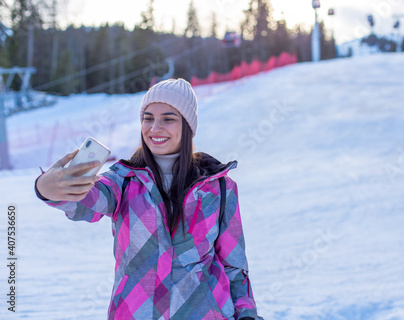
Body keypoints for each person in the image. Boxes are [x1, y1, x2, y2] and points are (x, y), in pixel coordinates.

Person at [34, 78, 263, 320]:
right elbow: (86, 202)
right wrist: (48, 189)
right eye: (148, 118)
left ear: (187, 126)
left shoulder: (220, 188)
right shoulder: (122, 182)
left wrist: (247, 314)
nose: (154, 128)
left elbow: (234, 266)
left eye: (168, 118)